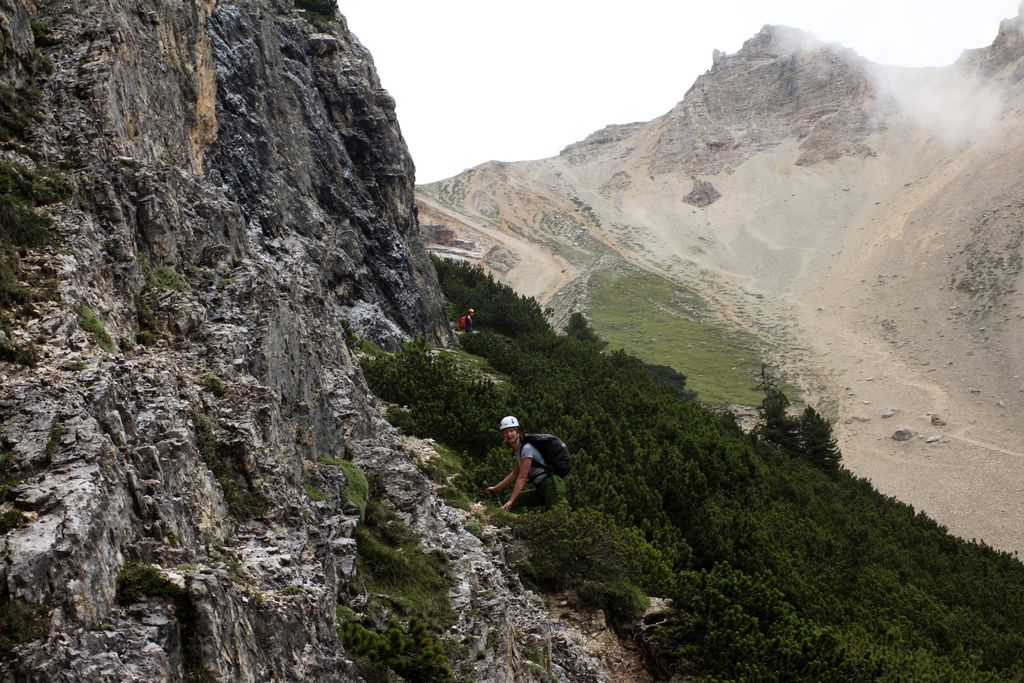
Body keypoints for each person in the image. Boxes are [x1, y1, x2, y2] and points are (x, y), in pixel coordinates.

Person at [485, 415, 566, 511]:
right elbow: (514, 474)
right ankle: (517, 524)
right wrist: (496, 489)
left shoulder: (526, 448)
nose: (509, 434)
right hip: (541, 488)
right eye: (505, 432)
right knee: (509, 500)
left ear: (518, 431)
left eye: (511, 431)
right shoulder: (518, 451)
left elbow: (522, 478)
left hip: (552, 485)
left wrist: (510, 502)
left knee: (558, 516)